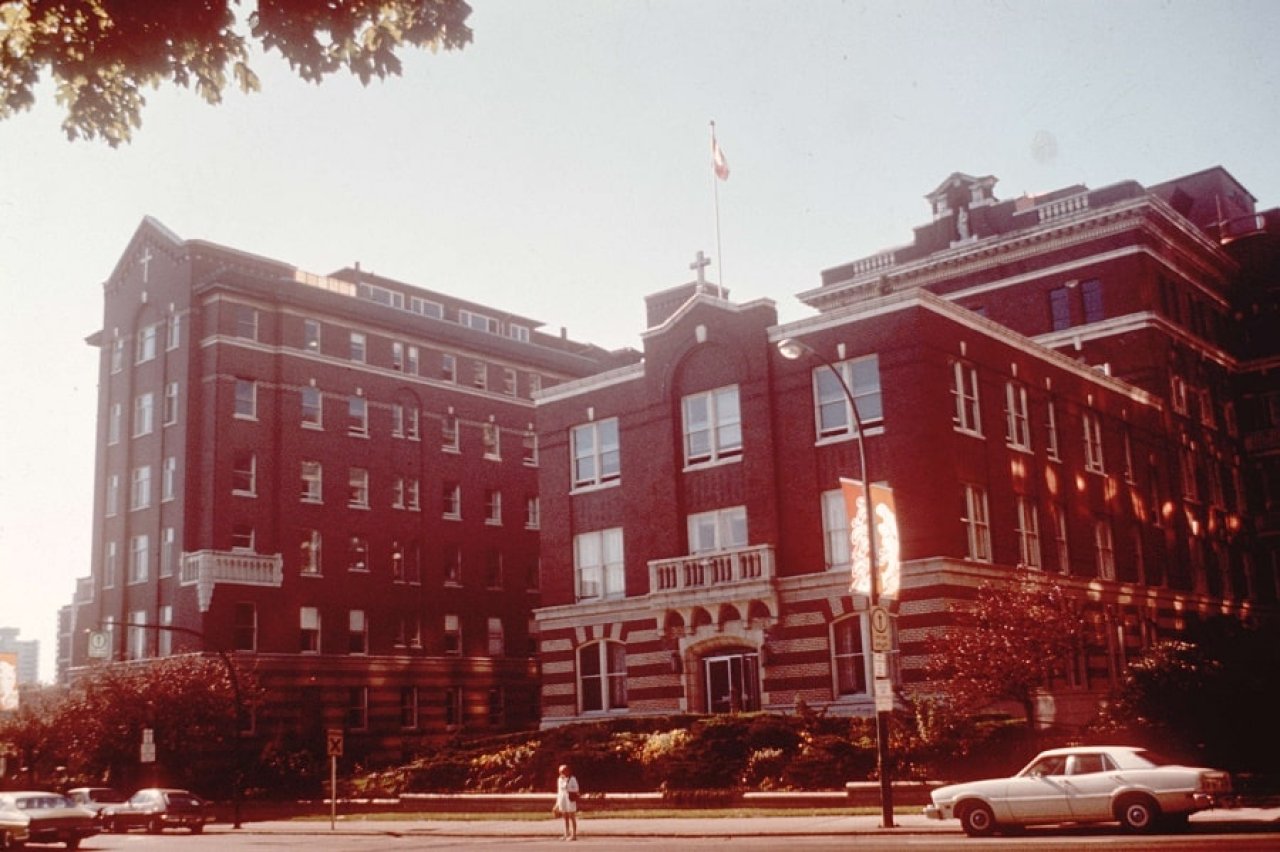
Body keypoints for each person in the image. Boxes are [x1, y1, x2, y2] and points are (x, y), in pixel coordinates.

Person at [552, 763, 579, 840]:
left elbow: (576, 789)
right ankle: (566, 833)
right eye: (560, 771)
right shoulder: (559, 779)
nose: (562, 773)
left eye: (564, 771)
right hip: (562, 799)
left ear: (568, 771)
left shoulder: (572, 779)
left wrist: (568, 788)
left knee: (572, 816)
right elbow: (559, 791)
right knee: (565, 817)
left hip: (570, 799)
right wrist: (557, 804)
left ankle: (574, 835)